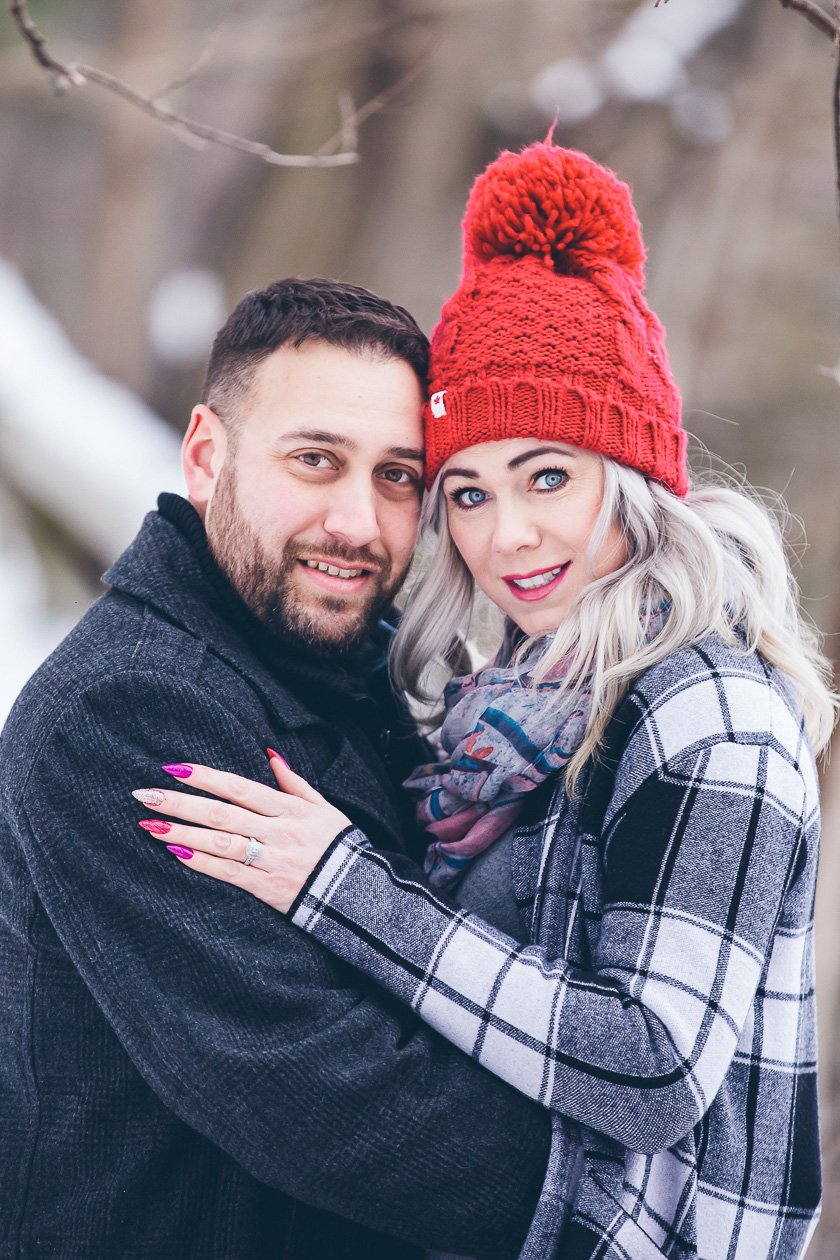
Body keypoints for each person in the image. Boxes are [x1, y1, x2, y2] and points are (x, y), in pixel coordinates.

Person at [143, 145, 837, 1259]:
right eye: (468, 490)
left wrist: (343, 888)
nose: (507, 535)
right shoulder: (512, 710)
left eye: (549, 476)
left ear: (636, 479)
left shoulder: (713, 717)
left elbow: (653, 1066)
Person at [0, 277, 554, 1260]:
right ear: (208, 456)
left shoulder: (370, 681)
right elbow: (331, 1097)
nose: (356, 520)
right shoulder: (132, 711)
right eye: (316, 460)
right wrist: (627, 1181)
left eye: (396, 476)